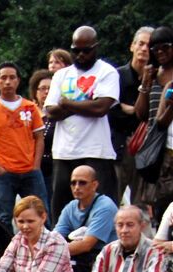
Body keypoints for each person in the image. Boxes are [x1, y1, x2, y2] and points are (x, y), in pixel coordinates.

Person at [45, 26, 121, 221]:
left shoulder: (107, 72)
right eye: (76, 50)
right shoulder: (61, 75)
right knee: (61, 209)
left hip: (96, 150)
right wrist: (86, 104)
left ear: (96, 47)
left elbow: (101, 108)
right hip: (64, 151)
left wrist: (67, 103)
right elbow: (51, 112)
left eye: (86, 50)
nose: (81, 55)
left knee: (101, 209)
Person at [0, 62, 50, 226]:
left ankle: (46, 249)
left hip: (30, 170)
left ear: (18, 80)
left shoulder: (30, 107)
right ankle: (5, 250)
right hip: (5, 172)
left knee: (41, 212)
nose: (8, 82)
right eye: (3, 78)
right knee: (3, 217)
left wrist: (36, 165)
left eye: (12, 77)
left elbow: (39, 137)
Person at [52, 165, 118, 272]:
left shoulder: (105, 206)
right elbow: (55, 237)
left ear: (94, 185)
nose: (77, 187)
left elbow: (87, 245)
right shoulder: (71, 206)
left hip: (103, 261)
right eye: (73, 183)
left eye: (82, 183)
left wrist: (52, 252)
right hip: (80, 259)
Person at [135, 26, 173, 218]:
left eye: (165, 47)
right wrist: (145, 83)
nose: (160, 52)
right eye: (155, 49)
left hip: (170, 141)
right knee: (161, 198)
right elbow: (140, 114)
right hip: (156, 145)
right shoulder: (153, 73)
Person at [112, 28, 154, 204]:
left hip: (147, 148)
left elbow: (152, 114)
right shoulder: (116, 75)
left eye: (149, 45)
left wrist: (128, 108)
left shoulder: (157, 78)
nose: (144, 49)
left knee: (142, 204)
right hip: (119, 146)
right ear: (132, 46)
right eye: (141, 43)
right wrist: (136, 110)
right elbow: (111, 111)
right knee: (112, 200)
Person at [29, 69, 57, 211]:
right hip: (34, 168)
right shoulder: (28, 114)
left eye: (50, 88)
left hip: (55, 168)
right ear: (35, 91)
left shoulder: (60, 114)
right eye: (43, 88)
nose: (46, 92)